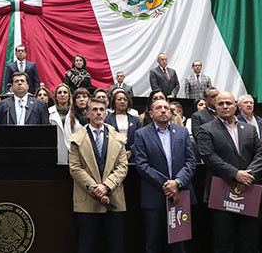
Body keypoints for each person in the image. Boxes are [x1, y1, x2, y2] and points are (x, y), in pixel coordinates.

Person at [196, 91, 262, 253]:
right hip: (222, 192)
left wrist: (248, 175)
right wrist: (235, 174)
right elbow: (209, 156)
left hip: (249, 189)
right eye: (221, 104)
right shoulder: (206, 129)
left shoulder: (249, 129)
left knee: (250, 241)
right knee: (224, 242)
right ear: (215, 107)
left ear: (235, 106)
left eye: (229, 103)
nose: (225, 106)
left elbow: (260, 154)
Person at [133, 98, 196, 253]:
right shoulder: (141, 134)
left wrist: (178, 183)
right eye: (159, 108)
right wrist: (168, 184)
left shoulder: (181, 132)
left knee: (179, 244)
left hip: (180, 196)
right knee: (153, 243)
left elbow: (190, 161)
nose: (163, 110)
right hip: (154, 196)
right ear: (151, 113)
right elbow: (142, 165)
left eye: (166, 108)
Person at [68, 97, 128, 253]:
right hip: (88, 202)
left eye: (102, 110)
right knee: (87, 246)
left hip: (113, 200)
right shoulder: (77, 139)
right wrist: (96, 189)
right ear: (87, 113)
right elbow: (75, 168)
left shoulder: (117, 138)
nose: (98, 113)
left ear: (106, 112)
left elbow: (122, 166)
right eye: (94, 110)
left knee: (116, 247)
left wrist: (106, 186)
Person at [105, 89, 140, 159]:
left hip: (132, 156)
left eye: (125, 99)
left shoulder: (135, 120)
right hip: (113, 156)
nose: (122, 101)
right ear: (114, 102)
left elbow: (139, 139)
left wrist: (131, 150)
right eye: (119, 99)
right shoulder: (107, 120)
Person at [49, 83, 75, 163]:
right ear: (56, 96)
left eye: (65, 92)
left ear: (69, 96)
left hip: (73, 148)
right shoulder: (49, 112)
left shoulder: (75, 112)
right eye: (59, 93)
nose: (62, 95)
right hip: (56, 148)